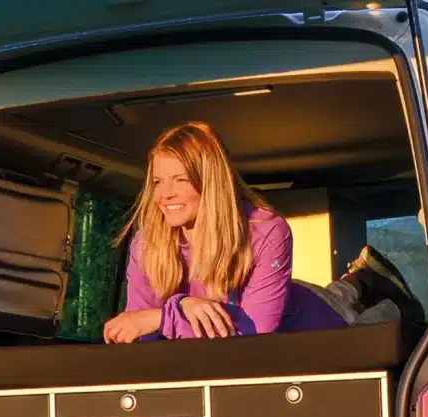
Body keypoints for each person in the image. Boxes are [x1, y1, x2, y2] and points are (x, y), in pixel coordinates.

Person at [102, 121, 346, 343]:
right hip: (267, 310)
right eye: (157, 182)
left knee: (369, 308)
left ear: (210, 182)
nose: (165, 194)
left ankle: (362, 278)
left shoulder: (266, 231)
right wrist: (183, 306)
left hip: (316, 325)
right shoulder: (148, 243)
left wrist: (167, 316)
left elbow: (253, 338)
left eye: (181, 180)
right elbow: (137, 328)